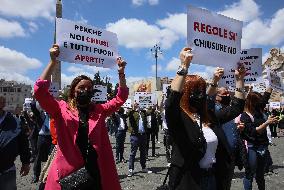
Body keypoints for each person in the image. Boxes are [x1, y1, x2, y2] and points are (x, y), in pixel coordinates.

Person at [33, 44, 128, 190]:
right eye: (81, 88)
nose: (85, 91)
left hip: (95, 170)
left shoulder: (99, 110)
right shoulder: (60, 108)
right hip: (69, 174)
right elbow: (40, 91)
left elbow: (120, 97)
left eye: (89, 88)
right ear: (73, 91)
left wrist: (121, 73)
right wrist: (53, 62)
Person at [165, 47, 246, 190]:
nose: (200, 95)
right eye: (195, 91)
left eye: (202, 90)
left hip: (212, 179)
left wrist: (239, 80)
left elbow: (236, 108)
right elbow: (171, 100)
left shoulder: (208, 116)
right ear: (185, 94)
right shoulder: (178, 118)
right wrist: (184, 66)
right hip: (189, 182)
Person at [239, 89, 279, 190]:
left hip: (262, 146)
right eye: (258, 101)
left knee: (260, 174)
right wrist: (267, 123)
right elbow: (254, 131)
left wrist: (270, 84)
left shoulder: (258, 109)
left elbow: (265, 97)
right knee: (250, 173)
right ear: (252, 102)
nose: (261, 103)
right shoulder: (244, 116)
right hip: (251, 147)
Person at [0, 96, 31, 190]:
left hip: (7, 172)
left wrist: (25, 163)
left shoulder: (16, 123)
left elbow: (24, 144)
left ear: (3, 103)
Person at [127, 103, 152, 177]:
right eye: (137, 104)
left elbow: (150, 111)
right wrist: (133, 108)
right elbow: (128, 114)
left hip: (143, 135)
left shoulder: (143, 112)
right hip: (135, 136)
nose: (138, 105)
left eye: (139, 104)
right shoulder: (132, 112)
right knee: (133, 153)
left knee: (143, 152)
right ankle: (130, 169)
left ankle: (143, 167)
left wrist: (152, 104)